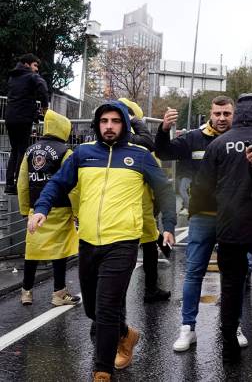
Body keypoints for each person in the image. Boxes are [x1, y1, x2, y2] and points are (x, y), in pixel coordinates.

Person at [27, 101, 176, 381]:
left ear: (125, 124)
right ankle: (126, 334)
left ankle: (101, 371)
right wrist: (41, 209)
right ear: (97, 124)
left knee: (106, 308)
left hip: (123, 242)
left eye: (115, 121)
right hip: (89, 242)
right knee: (93, 309)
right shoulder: (83, 154)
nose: (109, 126)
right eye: (104, 121)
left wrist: (168, 225)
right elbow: (58, 183)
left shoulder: (140, 156)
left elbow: (165, 190)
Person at [191, 93, 252, 359]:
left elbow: (204, 186)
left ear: (237, 113)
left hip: (230, 225)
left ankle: (228, 341)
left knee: (231, 283)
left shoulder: (219, 144)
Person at [154, 96, 247, 351]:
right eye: (217, 113)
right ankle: (187, 328)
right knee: (194, 272)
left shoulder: (242, 138)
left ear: (234, 114)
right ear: (210, 113)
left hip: (232, 219)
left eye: (227, 113)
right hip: (201, 216)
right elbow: (163, 152)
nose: (221, 118)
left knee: (233, 275)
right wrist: (163, 130)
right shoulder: (194, 138)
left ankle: (233, 325)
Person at [17, 109, 80, 306]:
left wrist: (25, 208)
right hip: (60, 209)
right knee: (58, 253)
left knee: (32, 252)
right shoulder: (66, 152)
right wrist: (77, 212)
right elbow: (74, 188)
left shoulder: (30, 151)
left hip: (36, 210)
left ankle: (26, 292)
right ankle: (59, 294)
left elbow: (22, 183)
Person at [118, 97, 171, 303]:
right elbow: (158, 183)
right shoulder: (140, 146)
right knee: (148, 245)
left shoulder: (107, 142)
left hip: (116, 207)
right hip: (141, 204)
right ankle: (150, 289)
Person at [5, 53, 49, 194]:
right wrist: (45, 107)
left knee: (14, 150)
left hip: (10, 118)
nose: (36, 69)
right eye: (35, 65)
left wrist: (34, 113)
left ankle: (9, 185)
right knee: (22, 150)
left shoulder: (13, 77)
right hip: (23, 119)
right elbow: (42, 86)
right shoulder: (31, 76)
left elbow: (21, 98)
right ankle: (19, 184)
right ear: (27, 64)